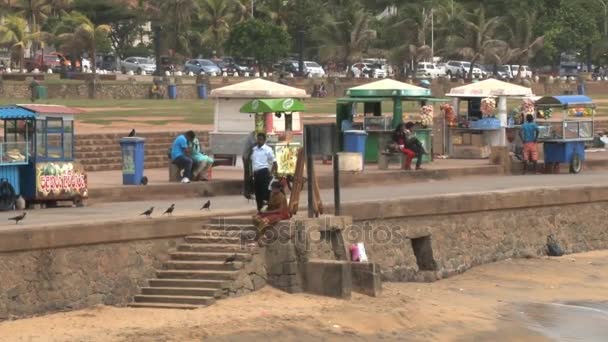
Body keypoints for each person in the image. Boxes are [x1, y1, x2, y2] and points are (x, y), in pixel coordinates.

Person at [251, 132, 277, 212]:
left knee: (264, 193)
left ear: (264, 140)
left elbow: (274, 162)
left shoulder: (268, 150)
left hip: (264, 172)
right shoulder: (254, 150)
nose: (259, 141)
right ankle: (259, 210)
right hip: (256, 174)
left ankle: (265, 211)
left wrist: (271, 173)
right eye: (258, 139)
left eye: (261, 139)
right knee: (257, 193)